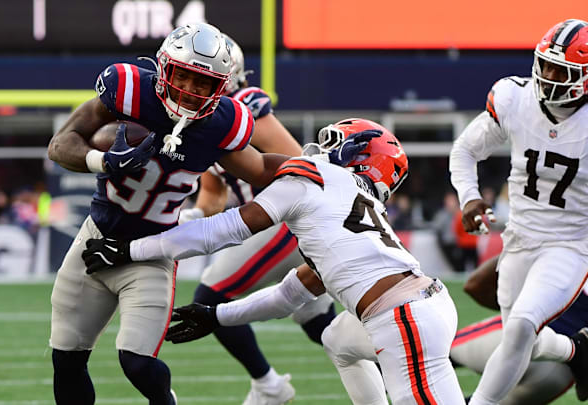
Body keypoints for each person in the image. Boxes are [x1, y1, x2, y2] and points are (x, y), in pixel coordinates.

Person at [46, 22, 355, 405]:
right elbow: (61, 144)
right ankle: (274, 383)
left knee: (138, 364)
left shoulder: (223, 122)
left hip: (152, 250)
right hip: (95, 238)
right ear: (163, 69)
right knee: (67, 358)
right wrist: (103, 160)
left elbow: (258, 168)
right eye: (184, 76)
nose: (190, 91)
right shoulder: (128, 89)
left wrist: (318, 168)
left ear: (221, 86)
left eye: (203, 83)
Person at [83, 119, 465, 404]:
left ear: (359, 157)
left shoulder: (315, 179)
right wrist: (217, 316)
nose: (322, 148)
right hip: (421, 306)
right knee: (336, 339)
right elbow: (288, 295)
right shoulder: (346, 212)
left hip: (402, 316)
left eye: (337, 143)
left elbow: (223, 230)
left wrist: (132, 249)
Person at [177, 35, 334, 405]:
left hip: (288, 220)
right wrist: (194, 214)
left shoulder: (246, 106)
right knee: (322, 328)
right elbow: (214, 193)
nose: (188, 87)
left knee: (212, 297)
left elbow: (298, 166)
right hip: (274, 224)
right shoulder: (206, 123)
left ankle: (269, 385)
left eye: (198, 77)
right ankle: (404, 378)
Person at [449, 18, 588, 404]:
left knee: (523, 325)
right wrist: (468, 197)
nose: (549, 75)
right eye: (545, 65)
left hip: (570, 245)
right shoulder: (516, 98)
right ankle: (578, 350)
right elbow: (465, 150)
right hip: (519, 240)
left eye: (562, 70)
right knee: (521, 336)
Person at [451, 255, 588, 404]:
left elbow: (474, 285)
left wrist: (513, 309)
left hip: (521, 337)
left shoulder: (565, 246)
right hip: (557, 377)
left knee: (433, 357)